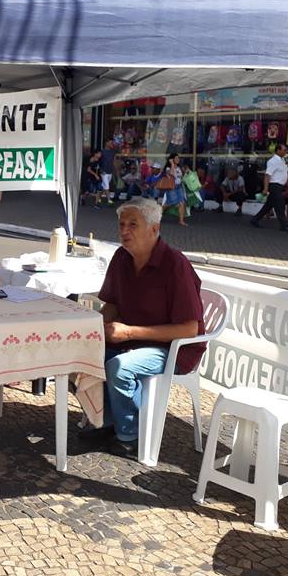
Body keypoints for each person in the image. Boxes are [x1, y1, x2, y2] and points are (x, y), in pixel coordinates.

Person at [79, 196, 205, 459]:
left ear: (154, 229)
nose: (124, 231)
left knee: (119, 368)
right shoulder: (121, 257)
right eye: (122, 224)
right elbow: (112, 303)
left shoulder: (175, 264)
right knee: (79, 356)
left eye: (133, 225)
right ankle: (107, 421)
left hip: (172, 347)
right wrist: (97, 329)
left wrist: (129, 332)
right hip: (131, 339)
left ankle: (131, 433)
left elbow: (189, 329)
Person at [250, 143, 288, 232]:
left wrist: (287, 185)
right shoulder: (273, 161)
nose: (285, 152)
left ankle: (255, 219)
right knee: (280, 206)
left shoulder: (282, 160)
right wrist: (265, 189)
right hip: (275, 186)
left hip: (280, 186)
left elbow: (282, 175)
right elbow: (267, 175)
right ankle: (284, 225)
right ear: (278, 150)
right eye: (284, 150)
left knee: (268, 205)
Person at [161, 152, 188, 227]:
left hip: (179, 187)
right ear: (172, 159)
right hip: (172, 188)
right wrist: (172, 164)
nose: (178, 159)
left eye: (178, 158)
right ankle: (156, 215)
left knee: (181, 203)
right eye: (176, 158)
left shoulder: (179, 168)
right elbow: (172, 175)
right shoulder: (168, 168)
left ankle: (181, 221)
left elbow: (180, 177)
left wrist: (186, 173)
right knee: (168, 204)